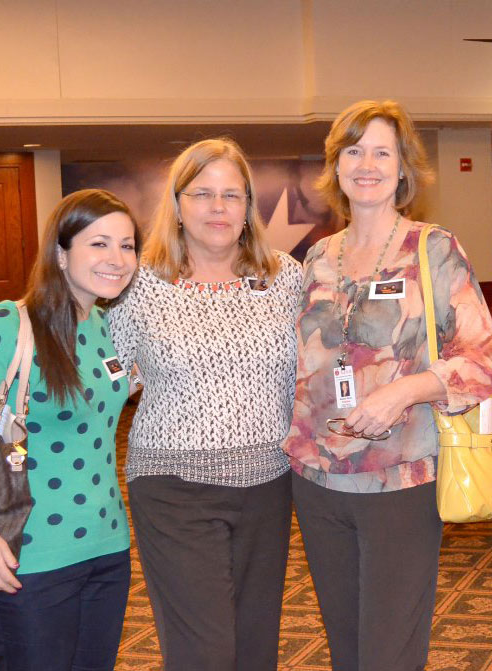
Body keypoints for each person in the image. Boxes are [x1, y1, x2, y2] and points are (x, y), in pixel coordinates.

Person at [284, 100, 492, 671]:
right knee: (346, 647)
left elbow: (484, 358)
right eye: (353, 151)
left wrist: (404, 390)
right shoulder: (320, 257)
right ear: (335, 167)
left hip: (401, 480)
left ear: (403, 168)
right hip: (318, 477)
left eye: (382, 152)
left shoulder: (433, 248)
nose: (367, 164)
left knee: (388, 652)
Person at [107, 138, 303, 671]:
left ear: (247, 208)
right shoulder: (139, 283)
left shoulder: (284, 276)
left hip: (268, 482)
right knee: (206, 650)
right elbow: (107, 378)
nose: (218, 208)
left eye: (232, 195)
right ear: (176, 203)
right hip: (174, 487)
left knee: (255, 642)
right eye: (202, 194)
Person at [0, 189, 141, 671]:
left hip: (107, 547)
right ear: (61, 254)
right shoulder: (8, 323)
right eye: (99, 243)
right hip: (26, 556)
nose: (116, 259)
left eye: (127, 245)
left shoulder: (105, 326)